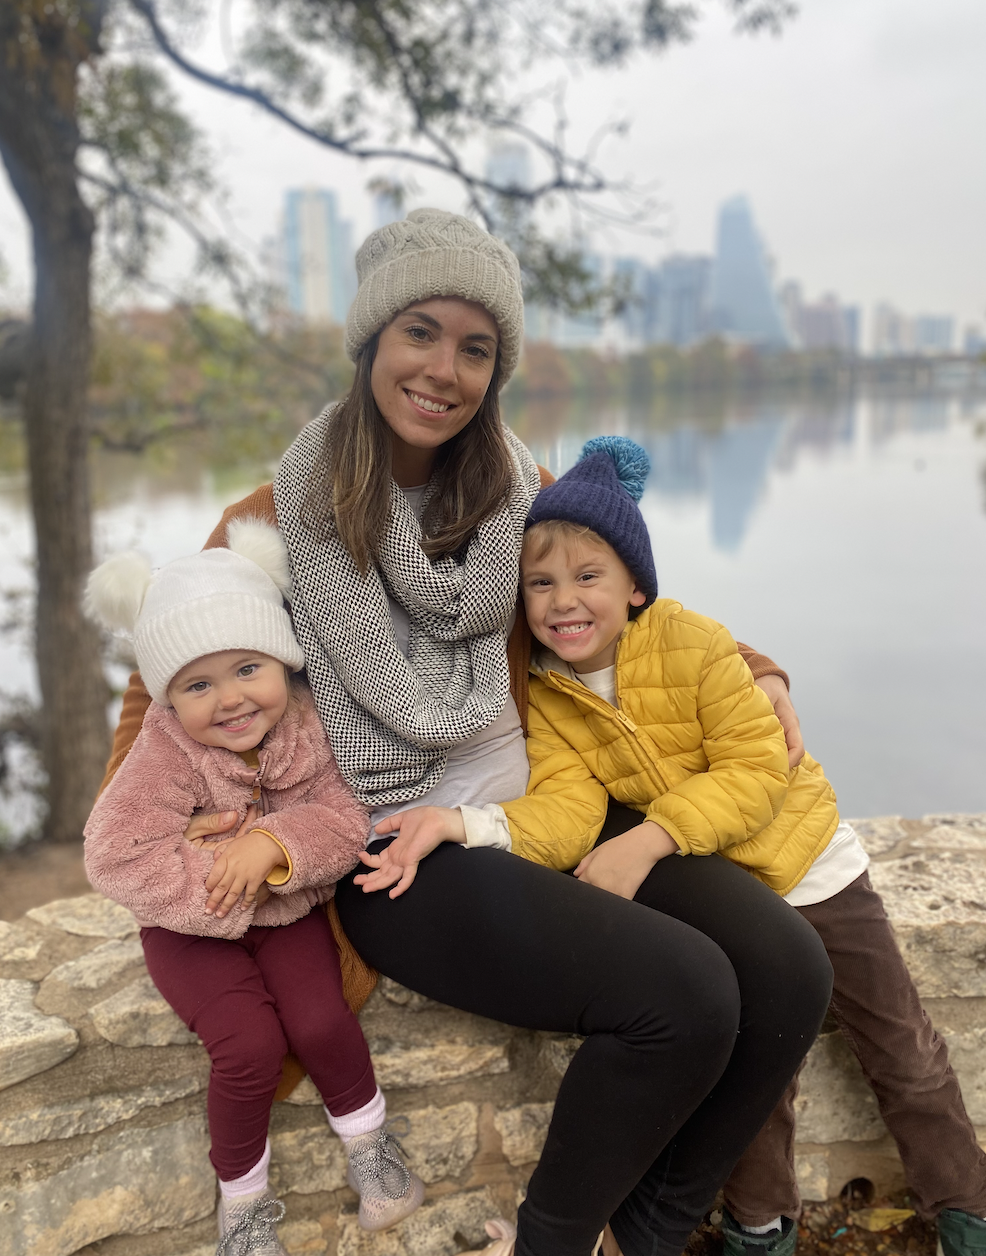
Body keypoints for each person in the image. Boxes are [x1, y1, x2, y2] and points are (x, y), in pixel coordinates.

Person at [101, 208, 832, 1256]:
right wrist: (172, 833)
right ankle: (552, 1241)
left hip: (541, 802)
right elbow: (168, 681)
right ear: (369, 340)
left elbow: (610, 596)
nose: (445, 367)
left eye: (476, 346)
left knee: (786, 966)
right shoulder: (273, 519)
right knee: (683, 990)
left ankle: (642, 1233)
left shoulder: (516, 491)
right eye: (420, 331)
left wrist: (752, 666)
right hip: (390, 848)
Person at [366, 435, 986, 1256]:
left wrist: (653, 837)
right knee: (760, 1068)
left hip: (810, 866)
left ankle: (966, 1207)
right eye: (540, 584)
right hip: (730, 879)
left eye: (588, 578)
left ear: (634, 588)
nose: (562, 602)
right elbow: (565, 807)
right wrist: (465, 824)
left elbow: (755, 765)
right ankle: (760, 1226)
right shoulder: (551, 693)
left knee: (901, 1045)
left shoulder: (692, 644)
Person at [84, 521, 424, 1256]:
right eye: (198, 685)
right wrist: (215, 871)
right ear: (169, 697)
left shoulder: (311, 723)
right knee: (248, 1045)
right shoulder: (164, 750)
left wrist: (272, 844)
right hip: (187, 929)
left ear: (282, 660)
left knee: (323, 1022)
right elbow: (112, 853)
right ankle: (242, 1206)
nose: (230, 699)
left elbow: (345, 819)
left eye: (248, 669)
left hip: (289, 912)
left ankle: (371, 1149)